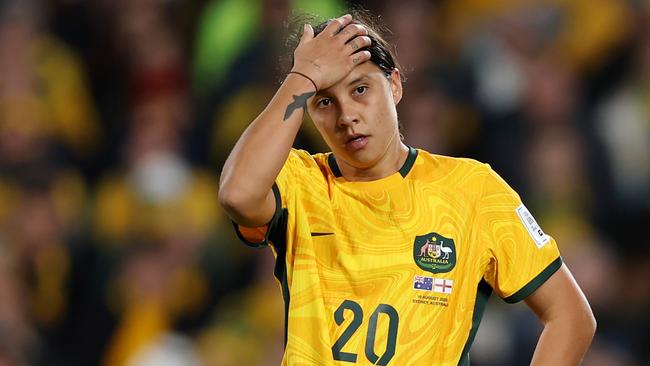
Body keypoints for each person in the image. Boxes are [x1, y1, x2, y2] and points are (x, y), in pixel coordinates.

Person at [218, 12, 596, 365]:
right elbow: (237, 194)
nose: (347, 116)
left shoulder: (472, 190)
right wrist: (302, 78)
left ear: (395, 85)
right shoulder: (300, 182)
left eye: (361, 89)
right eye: (324, 101)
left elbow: (571, 316)